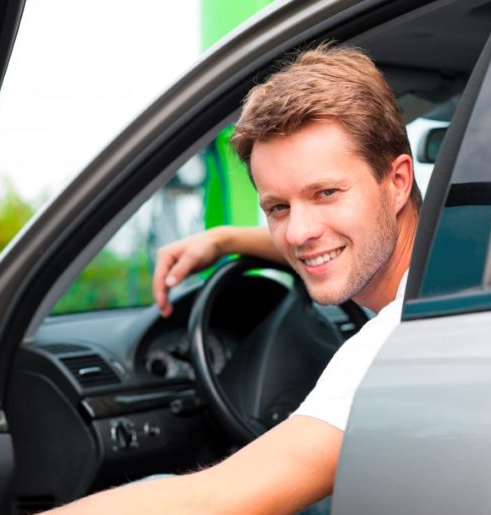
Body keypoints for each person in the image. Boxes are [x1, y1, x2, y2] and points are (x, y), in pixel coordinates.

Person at [44, 43, 421, 515]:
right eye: (277, 207)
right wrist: (225, 240)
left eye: (326, 193)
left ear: (397, 181)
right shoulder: (472, 248)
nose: (298, 232)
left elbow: (213, 502)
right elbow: (336, 239)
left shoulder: (404, 338)